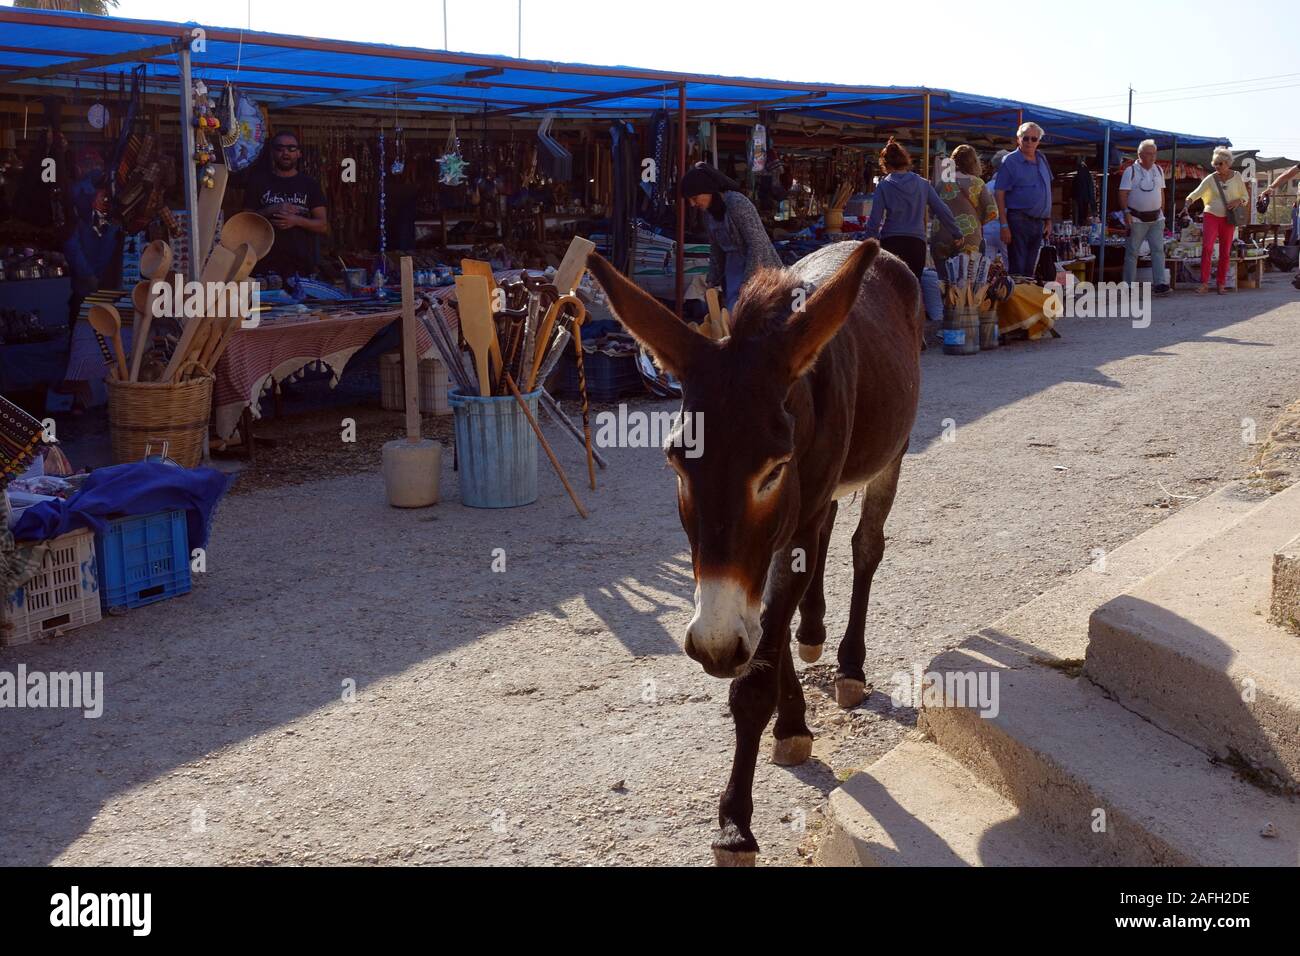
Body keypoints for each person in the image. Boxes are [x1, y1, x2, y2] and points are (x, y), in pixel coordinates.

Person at [863, 138, 966, 283]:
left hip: (891, 244)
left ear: (885, 164)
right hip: (916, 245)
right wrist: (956, 233)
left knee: (891, 291)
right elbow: (942, 210)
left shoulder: (884, 186)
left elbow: (874, 220)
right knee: (912, 290)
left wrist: (867, 246)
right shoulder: (923, 184)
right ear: (905, 160)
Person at [680, 162, 781, 310]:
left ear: (708, 190)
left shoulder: (736, 202)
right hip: (732, 269)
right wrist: (712, 281)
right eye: (689, 200)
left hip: (758, 269)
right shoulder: (709, 215)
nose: (692, 204)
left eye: (695, 198)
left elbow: (757, 243)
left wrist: (748, 282)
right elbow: (716, 249)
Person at [243, 130, 328, 279]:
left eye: (291, 148)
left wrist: (296, 221)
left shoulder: (310, 185)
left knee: (301, 303)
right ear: (272, 153)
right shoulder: (258, 182)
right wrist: (270, 209)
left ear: (298, 153)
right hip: (263, 263)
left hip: (301, 265)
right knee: (263, 302)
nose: (285, 153)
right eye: (280, 148)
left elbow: (322, 225)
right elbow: (244, 222)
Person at [1182, 147, 1250, 294]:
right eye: (1216, 164)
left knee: (1225, 252)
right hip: (1211, 215)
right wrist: (1187, 203)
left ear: (1228, 163)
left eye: (1220, 164)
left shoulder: (1237, 176)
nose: (1217, 167)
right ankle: (1204, 284)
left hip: (1229, 218)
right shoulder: (1211, 178)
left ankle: (1221, 284)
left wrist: (1238, 201)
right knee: (1207, 248)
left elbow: (1245, 197)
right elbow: (1196, 193)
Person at [995, 122, 1054, 276]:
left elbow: (1046, 189)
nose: (1029, 142)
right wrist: (1003, 225)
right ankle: (1016, 299)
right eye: (1025, 138)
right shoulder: (1010, 161)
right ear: (1018, 139)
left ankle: (1024, 299)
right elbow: (999, 193)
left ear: (1038, 141)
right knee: (1018, 269)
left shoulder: (1042, 158)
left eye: (1033, 139)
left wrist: (1048, 220)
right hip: (1019, 220)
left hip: (1039, 222)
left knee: (1030, 270)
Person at [1119, 139, 1172, 296]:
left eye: (1154, 153)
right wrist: (1126, 212)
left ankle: (1160, 283)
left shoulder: (1159, 170)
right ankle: (1128, 286)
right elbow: (1122, 193)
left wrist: (1162, 210)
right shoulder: (1131, 171)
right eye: (1149, 154)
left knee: (1158, 251)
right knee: (1132, 252)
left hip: (1156, 218)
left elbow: (1161, 191)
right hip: (1137, 218)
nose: (1152, 157)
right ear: (1140, 154)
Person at [930, 144, 998, 263]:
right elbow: (992, 212)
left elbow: (932, 211)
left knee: (943, 278)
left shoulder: (942, 183)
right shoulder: (978, 183)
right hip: (969, 236)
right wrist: (977, 219)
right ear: (974, 162)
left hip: (941, 234)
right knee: (966, 277)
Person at [982, 149, 1011, 263]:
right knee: (1010, 264)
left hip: (988, 229)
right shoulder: (1010, 185)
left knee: (986, 266)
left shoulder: (987, 186)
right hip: (1005, 228)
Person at [1072, 156, 1095, 226]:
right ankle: (1081, 223)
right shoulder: (1087, 174)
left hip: (1080, 196)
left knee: (1080, 212)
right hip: (1084, 196)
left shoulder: (1083, 174)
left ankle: (1080, 223)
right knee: (1081, 211)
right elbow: (1090, 188)